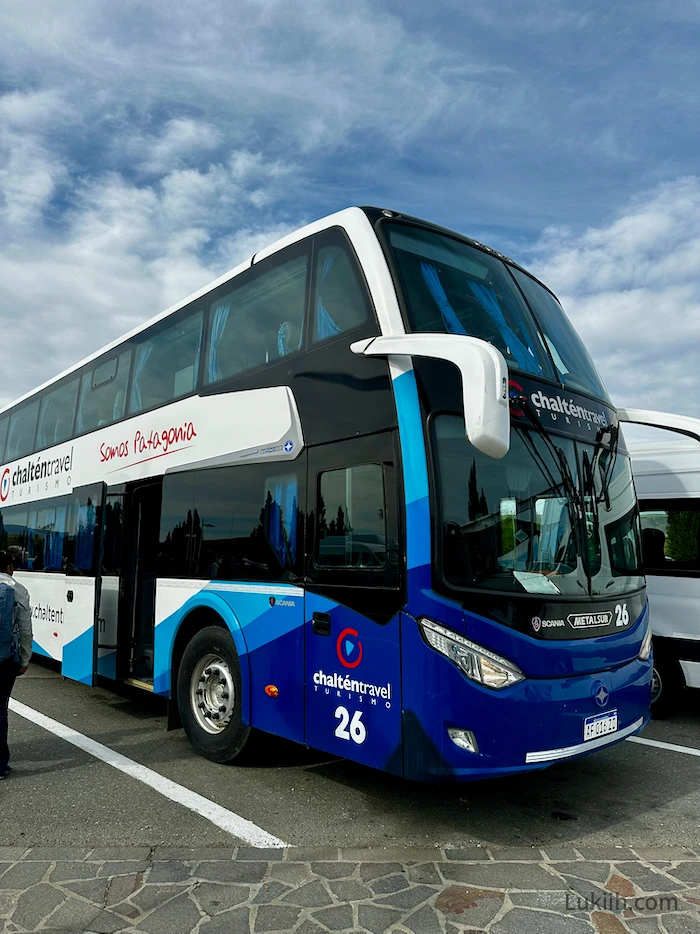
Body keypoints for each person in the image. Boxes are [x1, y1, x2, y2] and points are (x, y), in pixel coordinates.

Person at [0, 550, 32, 779]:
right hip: (4, 659)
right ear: (9, 567)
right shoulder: (17, 589)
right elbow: (25, 630)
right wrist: (24, 658)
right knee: (0, 709)